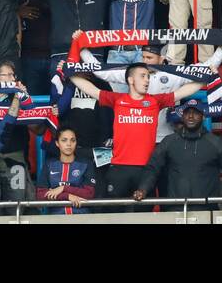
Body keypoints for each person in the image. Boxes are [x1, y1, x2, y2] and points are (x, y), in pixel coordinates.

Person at [69, 63, 205, 204]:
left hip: (147, 171)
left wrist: (206, 76)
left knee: (145, 215)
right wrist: (69, 72)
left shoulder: (155, 100)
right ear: (130, 80)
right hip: (119, 168)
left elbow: (185, 91)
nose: (147, 80)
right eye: (143, 76)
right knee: (116, 214)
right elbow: (90, 89)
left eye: (148, 76)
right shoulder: (117, 99)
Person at [134, 97, 222, 202]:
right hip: (175, 208)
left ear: (203, 117)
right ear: (182, 116)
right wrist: (143, 189)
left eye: (195, 113)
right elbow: (152, 168)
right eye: (187, 113)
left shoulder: (215, 142)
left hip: (206, 210)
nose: (190, 116)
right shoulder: (169, 141)